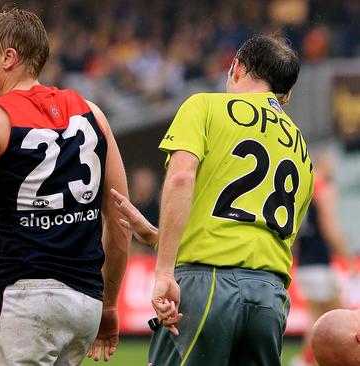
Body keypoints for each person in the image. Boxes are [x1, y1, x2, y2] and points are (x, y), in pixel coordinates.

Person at [0, 7, 157, 365]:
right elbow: (121, 220)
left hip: (22, 299)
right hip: (84, 304)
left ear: (9, 57)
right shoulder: (92, 114)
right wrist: (108, 305)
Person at [113, 34, 314, 365]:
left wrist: (164, 271)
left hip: (208, 286)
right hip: (270, 298)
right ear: (286, 95)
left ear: (237, 67)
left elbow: (180, 178)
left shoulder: (204, 106)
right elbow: (251, 232)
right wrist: (154, 237)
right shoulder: (304, 152)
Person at [293, 147, 356, 366]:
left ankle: (303, 361)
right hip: (321, 263)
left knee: (316, 318)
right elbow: (329, 228)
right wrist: (345, 254)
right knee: (338, 321)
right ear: (325, 164)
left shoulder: (304, 188)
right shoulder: (325, 188)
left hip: (305, 265)